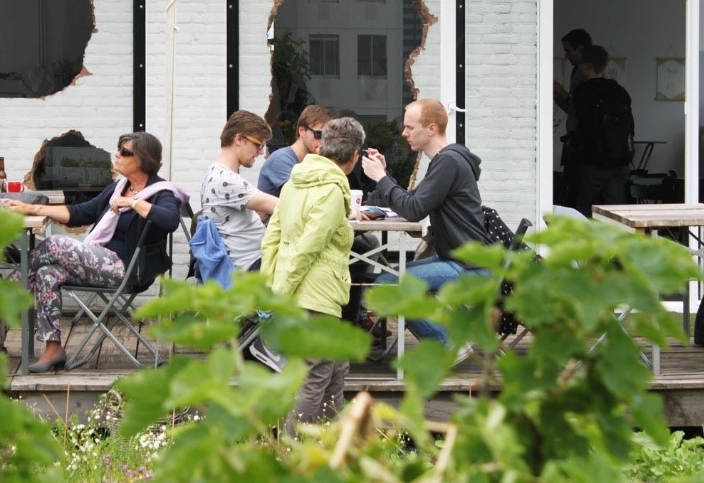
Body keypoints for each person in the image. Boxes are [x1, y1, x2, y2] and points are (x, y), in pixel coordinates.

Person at [5, 132, 187, 373]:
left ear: (142, 160)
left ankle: (7, 289)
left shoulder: (162, 192)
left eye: (124, 152)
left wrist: (133, 203)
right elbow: (80, 213)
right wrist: (32, 208)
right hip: (98, 262)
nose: (117, 155)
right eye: (118, 149)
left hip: (127, 270)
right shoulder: (119, 187)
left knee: (55, 244)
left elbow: (170, 220)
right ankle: (53, 348)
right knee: (47, 273)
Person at [262, 117, 365, 434]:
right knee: (316, 372)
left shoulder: (294, 183)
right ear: (354, 155)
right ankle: (290, 452)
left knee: (335, 366)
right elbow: (309, 246)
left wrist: (271, 287)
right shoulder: (333, 190)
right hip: (314, 296)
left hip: (296, 291)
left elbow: (271, 239)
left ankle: (332, 445)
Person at [361, 99, 492, 347]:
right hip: (460, 259)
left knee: (387, 285)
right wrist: (385, 175)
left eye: (410, 127)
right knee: (392, 278)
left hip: (470, 268)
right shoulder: (445, 161)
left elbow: (413, 210)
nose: (403, 133)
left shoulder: (448, 162)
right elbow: (412, 201)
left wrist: (380, 177)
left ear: (431, 128)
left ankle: (447, 343)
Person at [200, 110, 278, 271]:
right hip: (251, 268)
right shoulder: (227, 181)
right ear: (239, 139)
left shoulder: (215, 173)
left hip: (248, 263)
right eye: (259, 144)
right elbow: (282, 206)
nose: (261, 152)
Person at [570, 45, 633, 217]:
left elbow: (577, 126)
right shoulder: (619, 90)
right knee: (616, 215)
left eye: (580, 64)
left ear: (588, 65)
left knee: (583, 212)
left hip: (594, 161)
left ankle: (584, 244)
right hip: (620, 160)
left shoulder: (582, 92)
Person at [553, 29, 593, 207]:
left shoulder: (581, 74)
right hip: (581, 143)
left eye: (569, 51)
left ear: (580, 49)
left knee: (575, 191)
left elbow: (580, 110)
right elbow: (573, 110)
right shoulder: (576, 72)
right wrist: (558, 95)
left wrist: (563, 94)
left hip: (579, 144)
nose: (567, 56)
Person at [257, 104, 332, 197]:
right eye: (319, 135)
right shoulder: (280, 159)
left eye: (328, 137)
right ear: (302, 131)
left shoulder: (311, 160)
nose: (323, 141)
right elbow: (304, 198)